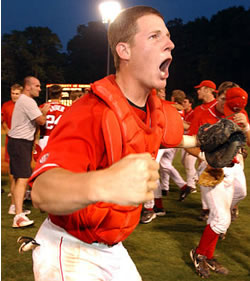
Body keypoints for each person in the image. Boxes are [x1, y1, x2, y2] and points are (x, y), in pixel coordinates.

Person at [29, 6, 200, 281]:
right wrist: (104, 183)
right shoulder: (90, 112)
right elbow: (42, 191)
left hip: (113, 248)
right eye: (155, 36)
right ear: (124, 50)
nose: (170, 43)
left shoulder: (155, 110)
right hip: (71, 248)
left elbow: (173, 138)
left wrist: (205, 146)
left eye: (168, 36)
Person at [188, 85, 249, 278]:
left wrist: (246, 127)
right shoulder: (203, 113)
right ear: (218, 96)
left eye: (227, 100)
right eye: (221, 98)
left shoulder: (239, 113)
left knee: (240, 195)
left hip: (234, 167)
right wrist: (207, 159)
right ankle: (199, 254)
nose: (223, 103)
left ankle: (209, 252)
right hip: (211, 168)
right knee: (221, 219)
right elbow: (190, 145)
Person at [7, 76, 50, 228]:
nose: (40, 89)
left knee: (18, 177)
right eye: (37, 86)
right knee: (23, 178)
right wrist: (44, 111)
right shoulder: (28, 101)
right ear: (28, 87)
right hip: (20, 143)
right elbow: (41, 121)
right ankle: (18, 217)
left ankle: (15, 208)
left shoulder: (23, 101)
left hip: (16, 142)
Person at [188, 80, 218, 220]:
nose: (198, 91)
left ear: (207, 90)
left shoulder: (220, 106)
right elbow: (193, 134)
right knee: (205, 183)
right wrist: (201, 156)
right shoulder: (199, 110)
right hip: (206, 154)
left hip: (225, 154)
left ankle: (229, 209)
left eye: (200, 89)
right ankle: (207, 210)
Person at [1, 84, 22, 203]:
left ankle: (21, 190)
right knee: (11, 168)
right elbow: (3, 121)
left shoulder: (25, 105)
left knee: (22, 167)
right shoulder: (6, 105)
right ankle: (13, 191)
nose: (14, 96)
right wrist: (6, 129)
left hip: (23, 140)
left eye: (17, 93)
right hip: (11, 140)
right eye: (13, 93)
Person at [38, 85, 68, 151]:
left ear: (50, 95)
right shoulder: (67, 109)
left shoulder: (42, 107)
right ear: (61, 95)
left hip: (44, 139)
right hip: (60, 139)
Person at [181, 95, 198, 192]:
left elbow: (193, 126)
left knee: (189, 162)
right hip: (185, 141)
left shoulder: (193, 113)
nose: (183, 104)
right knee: (184, 162)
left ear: (190, 104)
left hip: (193, 140)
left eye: (185, 102)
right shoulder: (185, 113)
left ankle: (192, 186)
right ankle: (196, 177)